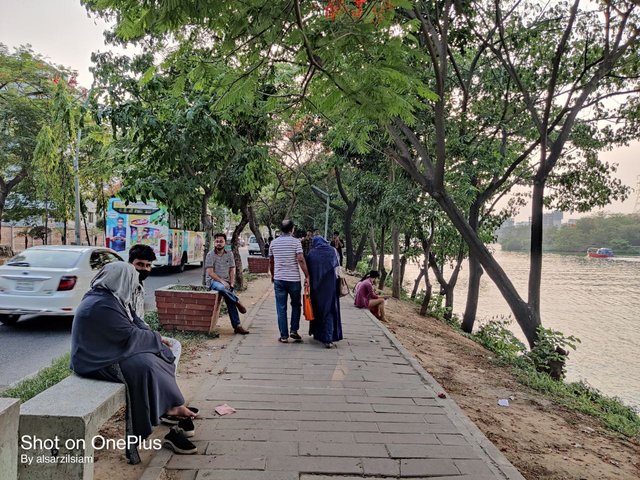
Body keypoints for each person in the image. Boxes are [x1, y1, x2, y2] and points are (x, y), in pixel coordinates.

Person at [70, 262, 198, 463]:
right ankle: (170, 409)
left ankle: (170, 406)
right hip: (94, 359)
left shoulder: (113, 298)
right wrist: (155, 339)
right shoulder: (101, 303)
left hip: (110, 350)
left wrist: (155, 338)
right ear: (122, 280)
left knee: (162, 352)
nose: (134, 284)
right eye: (131, 280)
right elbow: (127, 334)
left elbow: (134, 322)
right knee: (145, 366)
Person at [129, 245, 182, 367]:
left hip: (139, 332)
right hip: (131, 337)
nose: (145, 269)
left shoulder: (140, 284)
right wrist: (153, 337)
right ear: (130, 264)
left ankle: (168, 379)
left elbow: (139, 318)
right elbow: (131, 319)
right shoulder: (125, 285)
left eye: (148, 266)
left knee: (173, 345)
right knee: (172, 346)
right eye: (140, 265)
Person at [269, 219, 310, 343]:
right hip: (293, 280)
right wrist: (307, 275)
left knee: (281, 308)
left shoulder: (274, 243)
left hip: (279, 279)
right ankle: (294, 330)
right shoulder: (296, 242)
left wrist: (272, 275)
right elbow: (301, 259)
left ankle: (284, 336)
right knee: (296, 305)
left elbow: (271, 261)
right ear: (292, 229)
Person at [205, 233, 249, 334]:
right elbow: (210, 273)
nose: (219, 243)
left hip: (226, 282)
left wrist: (232, 283)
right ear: (214, 242)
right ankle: (237, 301)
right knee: (221, 288)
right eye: (217, 241)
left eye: (221, 241)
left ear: (225, 242)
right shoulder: (210, 255)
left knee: (229, 299)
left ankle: (237, 326)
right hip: (213, 282)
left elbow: (232, 269)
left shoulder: (229, 254)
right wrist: (222, 281)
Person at [306, 236, 343, 348]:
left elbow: (308, 271)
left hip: (316, 287)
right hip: (330, 286)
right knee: (329, 311)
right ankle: (328, 338)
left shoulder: (311, 254)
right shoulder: (333, 251)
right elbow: (337, 270)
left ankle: (319, 334)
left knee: (317, 310)